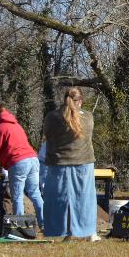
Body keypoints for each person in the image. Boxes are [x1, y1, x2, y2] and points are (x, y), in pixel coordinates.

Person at [41, 88, 97, 239]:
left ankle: (57, 231)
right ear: (80, 101)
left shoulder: (52, 117)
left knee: (58, 199)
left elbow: (48, 135)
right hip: (83, 163)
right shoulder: (88, 118)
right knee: (84, 200)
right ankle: (87, 231)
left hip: (59, 163)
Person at [0, 104, 44, 227]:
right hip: (33, 159)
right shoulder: (17, 125)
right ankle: (45, 224)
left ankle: (19, 227)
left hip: (19, 162)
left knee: (17, 195)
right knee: (35, 193)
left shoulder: (1, 128)